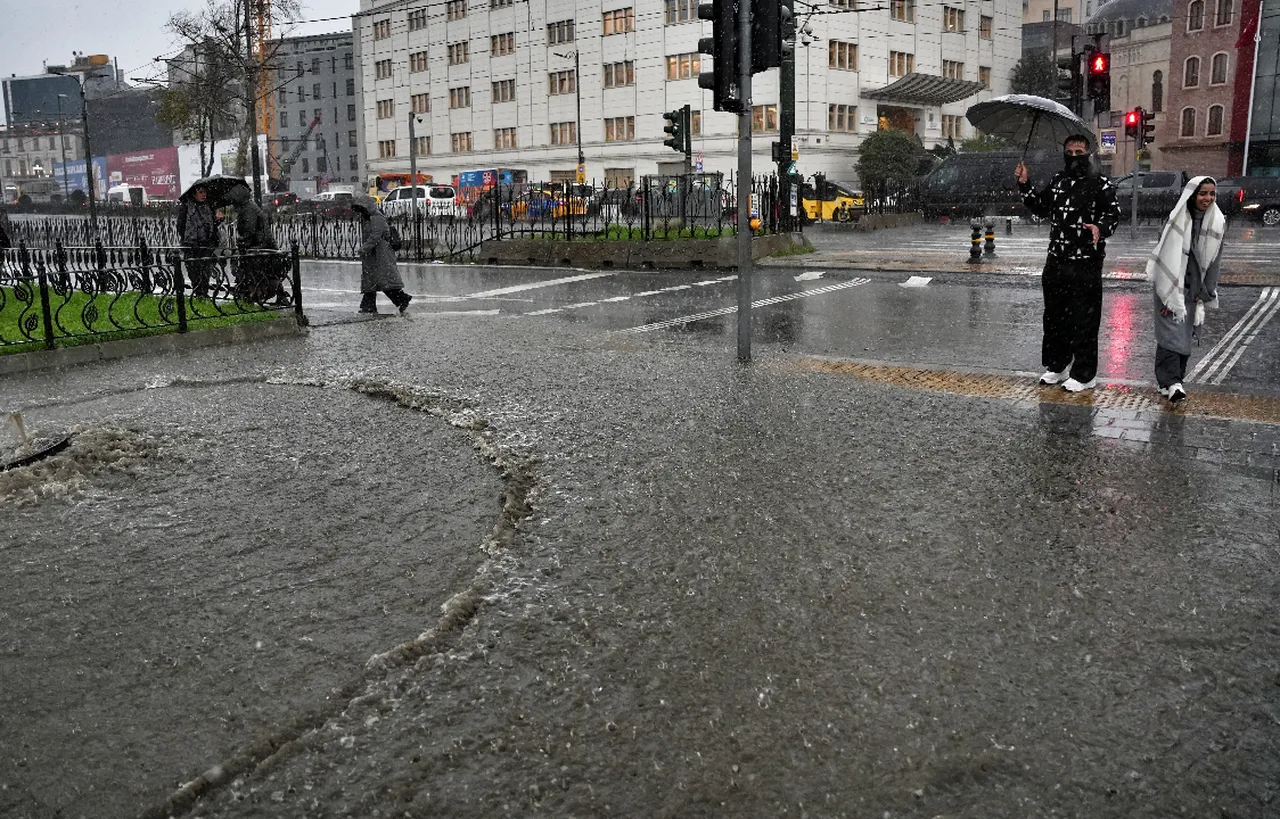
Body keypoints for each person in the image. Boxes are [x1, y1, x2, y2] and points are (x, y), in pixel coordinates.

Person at [1016, 135, 1122, 392]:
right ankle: (1056, 365)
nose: (1074, 156)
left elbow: (1114, 214)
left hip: (1086, 262)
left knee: (1084, 319)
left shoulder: (1101, 184)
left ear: (1088, 154)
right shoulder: (1058, 181)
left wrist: (1100, 228)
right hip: (1056, 260)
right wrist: (1024, 184)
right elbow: (1040, 208)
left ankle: (1085, 374)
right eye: (1069, 152)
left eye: (1079, 151)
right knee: (1054, 317)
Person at [1145, 176, 1224, 404]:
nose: (1207, 198)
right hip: (1170, 288)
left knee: (1182, 337)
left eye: (1211, 194)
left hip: (1194, 291)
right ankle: (1174, 383)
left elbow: (1215, 261)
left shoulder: (1217, 223)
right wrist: (1167, 293)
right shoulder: (1176, 221)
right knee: (1171, 335)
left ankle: (1168, 381)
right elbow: (1165, 255)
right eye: (1202, 193)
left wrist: (1207, 291)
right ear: (1192, 195)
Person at [227, 184, 289, 305]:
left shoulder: (248, 209)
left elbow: (250, 230)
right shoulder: (249, 207)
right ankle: (277, 295)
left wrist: (242, 241)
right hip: (263, 245)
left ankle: (252, 293)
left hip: (260, 246)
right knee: (267, 272)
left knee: (254, 271)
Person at [352, 195, 412, 315]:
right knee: (372, 280)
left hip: (381, 254)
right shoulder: (368, 218)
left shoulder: (377, 218)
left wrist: (363, 249)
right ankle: (368, 305)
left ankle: (400, 299)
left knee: (384, 279)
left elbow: (375, 236)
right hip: (373, 255)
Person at [176, 184, 220, 299]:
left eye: (204, 192)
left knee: (205, 272)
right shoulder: (186, 208)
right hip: (191, 246)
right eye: (200, 192)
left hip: (205, 246)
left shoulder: (209, 207)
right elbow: (180, 226)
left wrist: (218, 221)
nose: (203, 194)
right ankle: (198, 293)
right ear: (194, 194)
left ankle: (203, 294)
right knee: (194, 272)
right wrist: (189, 239)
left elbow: (212, 227)